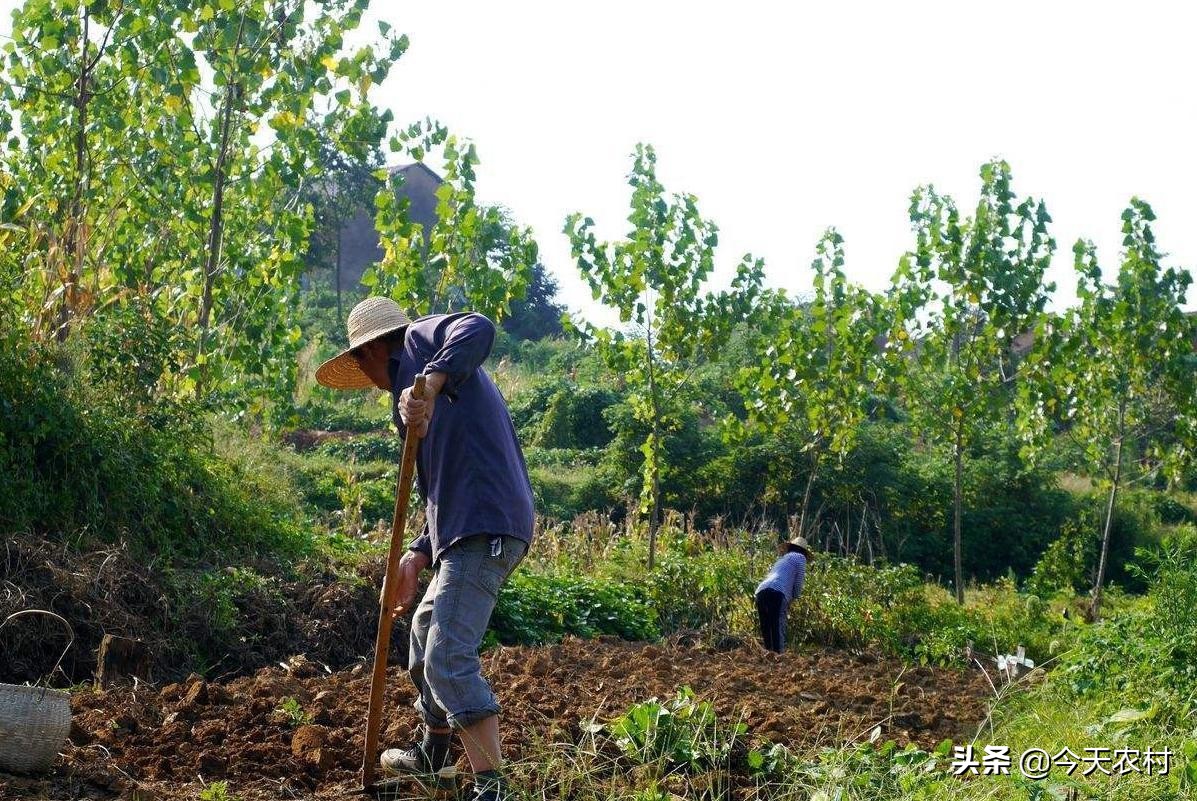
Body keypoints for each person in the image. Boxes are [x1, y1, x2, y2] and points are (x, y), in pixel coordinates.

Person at [315, 297, 534, 801]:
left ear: (370, 352)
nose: (364, 374)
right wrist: (416, 555)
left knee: (448, 656)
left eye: (359, 362)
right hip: (459, 529)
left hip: (487, 524)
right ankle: (433, 753)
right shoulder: (407, 405)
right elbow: (436, 488)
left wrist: (432, 382)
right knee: (422, 630)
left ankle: (493, 787)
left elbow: (477, 327)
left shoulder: (421, 344)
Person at [754, 536, 814, 653]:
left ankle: (769, 656)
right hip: (777, 593)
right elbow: (798, 582)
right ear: (804, 551)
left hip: (761, 591)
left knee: (766, 627)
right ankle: (778, 657)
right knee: (777, 626)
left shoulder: (782, 559)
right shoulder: (800, 558)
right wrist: (794, 597)